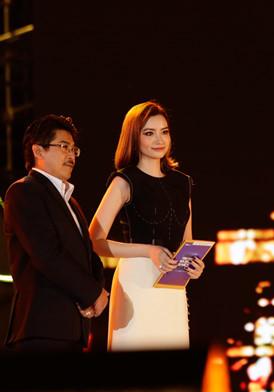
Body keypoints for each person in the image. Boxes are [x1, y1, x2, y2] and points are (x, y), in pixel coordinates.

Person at [89, 101, 204, 351]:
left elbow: (188, 242)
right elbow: (94, 241)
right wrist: (148, 250)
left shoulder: (183, 183)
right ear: (134, 137)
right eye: (149, 133)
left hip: (172, 285)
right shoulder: (124, 181)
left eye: (164, 131)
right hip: (136, 280)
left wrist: (194, 267)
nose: (159, 139)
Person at [3, 114, 109, 352]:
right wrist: (92, 293)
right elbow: (47, 254)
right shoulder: (23, 192)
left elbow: (89, 256)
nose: (71, 155)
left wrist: (98, 292)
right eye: (63, 146)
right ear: (38, 150)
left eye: (74, 149)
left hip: (74, 329)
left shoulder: (72, 203)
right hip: (41, 328)